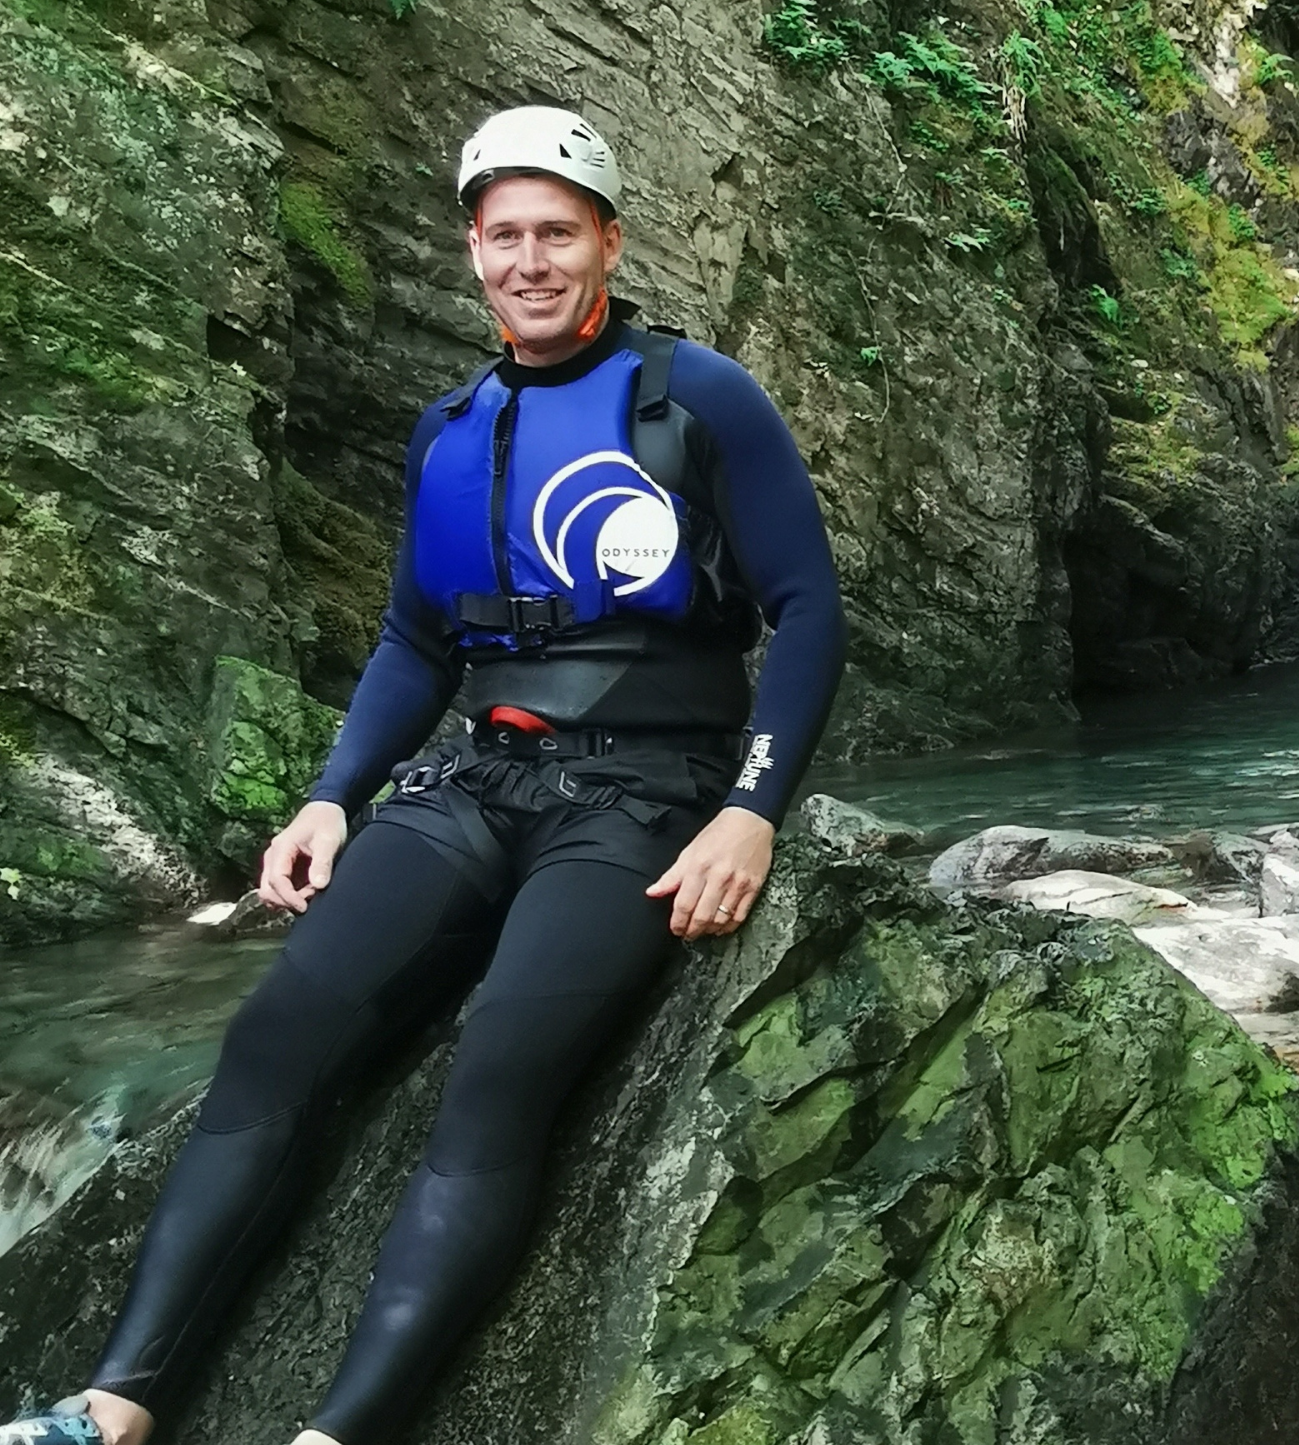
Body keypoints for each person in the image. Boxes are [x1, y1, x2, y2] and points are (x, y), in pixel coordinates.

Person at [4, 107, 847, 1445]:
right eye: (503, 233)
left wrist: (751, 810)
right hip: (474, 784)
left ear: (608, 242)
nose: (529, 259)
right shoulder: (450, 429)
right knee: (278, 1036)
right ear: (471, 253)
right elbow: (415, 635)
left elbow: (808, 610)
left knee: (497, 1070)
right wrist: (336, 793)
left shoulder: (700, 397)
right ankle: (115, 1401)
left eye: (556, 231)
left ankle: (340, 1432)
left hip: (644, 794)